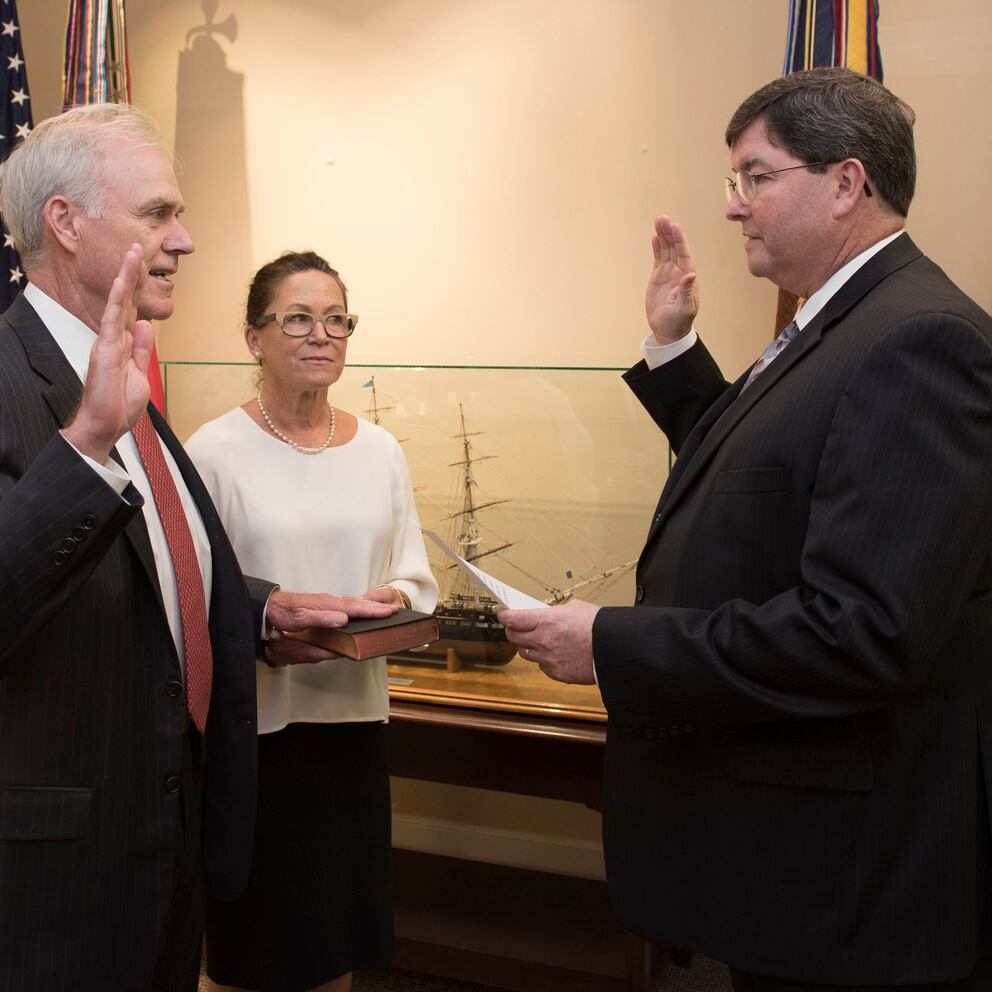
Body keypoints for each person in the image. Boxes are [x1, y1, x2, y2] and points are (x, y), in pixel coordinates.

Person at [499, 67, 992, 991]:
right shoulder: (842, 323)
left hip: (849, 881)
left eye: (756, 177)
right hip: (802, 863)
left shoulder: (918, 338)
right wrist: (675, 352)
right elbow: (769, 477)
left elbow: (865, 633)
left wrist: (613, 643)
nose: (736, 207)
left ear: (846, 183)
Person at [0, 105, 396, 992]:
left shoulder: (129, 376)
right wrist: (86, 447)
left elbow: (158, 572)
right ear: (64, 222)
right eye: (157, 214)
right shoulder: (25, 382)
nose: (184, 238)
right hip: (56, 877)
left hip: (165, 848)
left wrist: (263, 611)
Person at [185, 249, 438, 992]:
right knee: (255, 948)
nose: (319, 334)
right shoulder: (213, 451)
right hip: (261, 733)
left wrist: (389, 600)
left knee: (336, 939)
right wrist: (271, 632)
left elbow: (415, 572)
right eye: (297, 318)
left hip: (352, 725)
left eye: (335, 319)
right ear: (253, 336)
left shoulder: (382, 450)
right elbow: (196, 594)